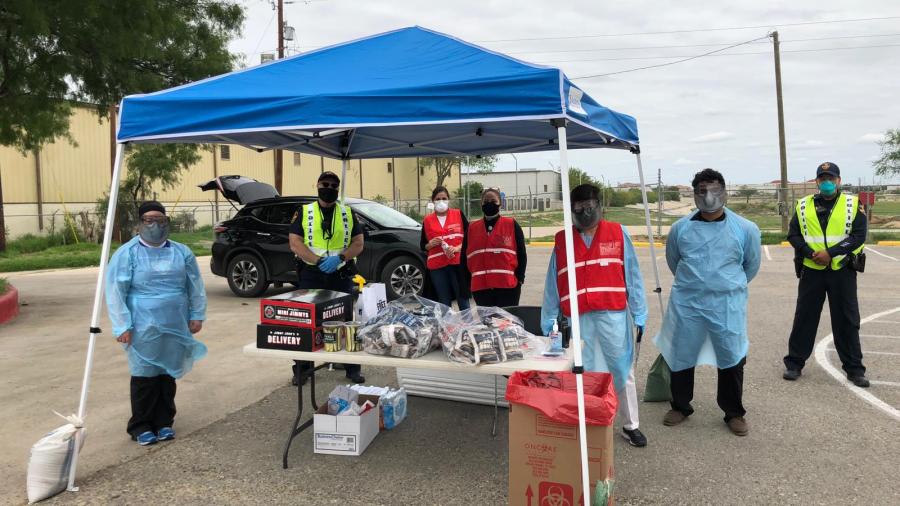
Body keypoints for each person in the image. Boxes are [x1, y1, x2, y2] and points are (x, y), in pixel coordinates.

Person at [654, 168, 761, 436]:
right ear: (694, 194)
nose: (708, 196)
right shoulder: (681, 229)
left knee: (731, 355)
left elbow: (751, 265)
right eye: (702, 191)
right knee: (682, 353)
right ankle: (680, 405)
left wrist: (723, 285)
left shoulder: (745, 229)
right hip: (688, 302)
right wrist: (697, 284)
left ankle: (733, 412)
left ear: (724, 192)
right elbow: (674, 261)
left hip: (726, 304)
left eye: (714, 190)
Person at [541, 184, 649, 447]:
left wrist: (639, 313)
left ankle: (630, 424)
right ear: (571, 211)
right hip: (579, 319)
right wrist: (548, 322)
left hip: (613, 315)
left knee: (622, 369)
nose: (585, 213)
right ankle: (591, 422)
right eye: (579, 209)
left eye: (590, 207)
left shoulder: (618, 233)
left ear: (600, 206)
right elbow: (553, 283)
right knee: (584, 371)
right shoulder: (562, 241)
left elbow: (633, 275)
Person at [106, 201, 207, 446]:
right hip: (142, 324)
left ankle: (164, 422)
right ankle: (140, 425)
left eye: (160, 220)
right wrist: (122, 325)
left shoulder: (181, 252)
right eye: (149, 220)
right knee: (144, 374)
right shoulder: (127, 253)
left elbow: (195, 285)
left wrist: (197, 314)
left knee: (167, 372)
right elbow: (115, 291)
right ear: (139, 224)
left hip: (175, 321)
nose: (155, 225)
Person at [783, 162, 869, 387]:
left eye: (831, 178)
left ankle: (854, 368)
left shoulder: (853, 203)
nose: (827, 182)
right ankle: (794, 364)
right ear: (817, 182)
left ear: (839, 180)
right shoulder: (803, 205)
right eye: (823, 179)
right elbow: (794, 235)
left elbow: (859, 235)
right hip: (812, 270)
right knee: (804, 317)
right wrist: (810, 253)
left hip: (842, 270)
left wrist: (831, 253)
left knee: (847, 320)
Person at [289, 171, 365, 385]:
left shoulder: (348, 213)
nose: (329, 188)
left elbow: (358, 244)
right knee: (306, 322)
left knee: (347, 321)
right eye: (325, 184)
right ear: (317, 185)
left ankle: (352, 368)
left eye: (334, 185)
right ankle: (302, 369)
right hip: (311, 274)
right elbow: (295, 242)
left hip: (339, 273)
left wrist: (340, 257)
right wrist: (317, 260)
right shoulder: (304, 211)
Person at [465, 188, 527, 307]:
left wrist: (520, 279)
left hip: (508, 289)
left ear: (500, 203)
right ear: (481, 203)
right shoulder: (472, 228)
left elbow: (522, 254)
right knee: (487, 324)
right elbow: (464, 257)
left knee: (507, 324)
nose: (489, 203)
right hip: (481, 289)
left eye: (493, 200)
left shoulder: (511, 224)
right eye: (486, 201)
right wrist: (468, 283)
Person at [421, 186, 471, 310]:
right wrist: (430, 244)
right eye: (438, 199)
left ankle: (468, 326)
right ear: (433, 201)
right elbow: (423, 245)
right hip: (437, 267)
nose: (441, 201)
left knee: (462, 299)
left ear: (448, 199)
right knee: (444, 302)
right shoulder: (427, 220)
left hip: (457, 263)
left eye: (444, 198)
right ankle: (447, 328)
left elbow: (470, 237)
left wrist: (457, 248)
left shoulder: (458, 214)